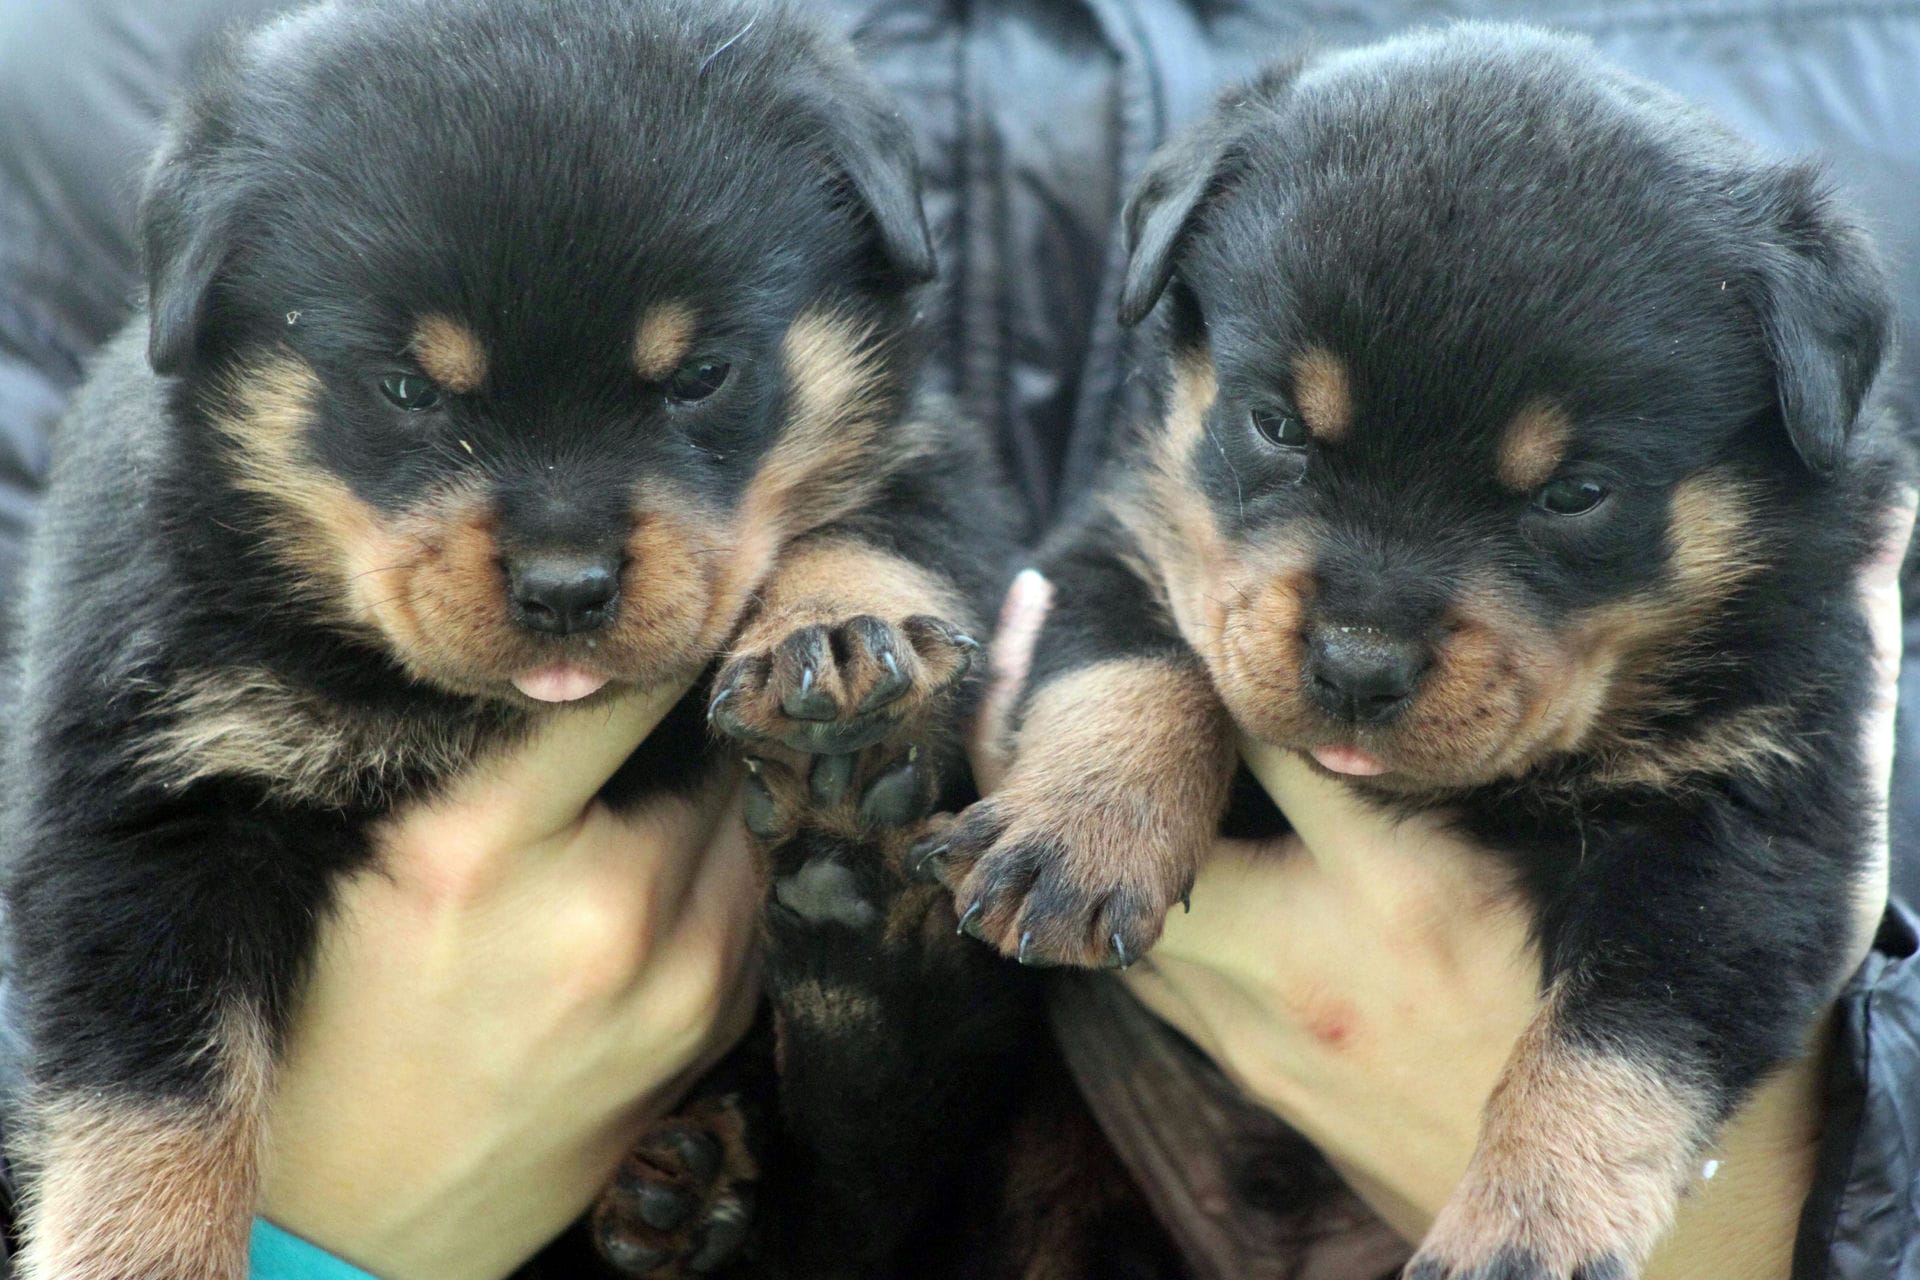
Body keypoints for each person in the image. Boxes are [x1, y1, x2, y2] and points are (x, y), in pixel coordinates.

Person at [2, 2, 1917, 1278]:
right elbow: (94, 844)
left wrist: (1761, 1209)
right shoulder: (107, 75)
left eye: (701, 388)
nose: (564, 555)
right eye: (415, 405)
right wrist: (311, 1236)